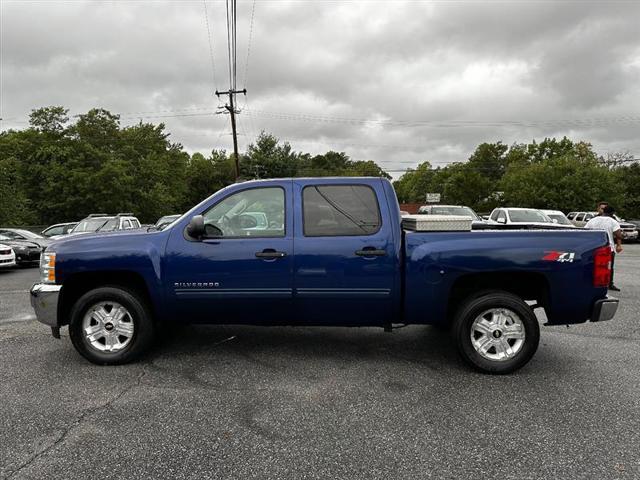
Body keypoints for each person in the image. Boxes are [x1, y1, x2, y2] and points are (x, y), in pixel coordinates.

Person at [585, 205, 622, 291]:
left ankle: (591, 282)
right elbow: (618, 235)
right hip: (608, 248)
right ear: (612, 213)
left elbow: (585, 231)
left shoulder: (592, 220)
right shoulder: (613, 221)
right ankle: (609, 284)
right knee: (608, 267)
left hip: (593, 247)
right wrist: (619, 243)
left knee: (593, 266)